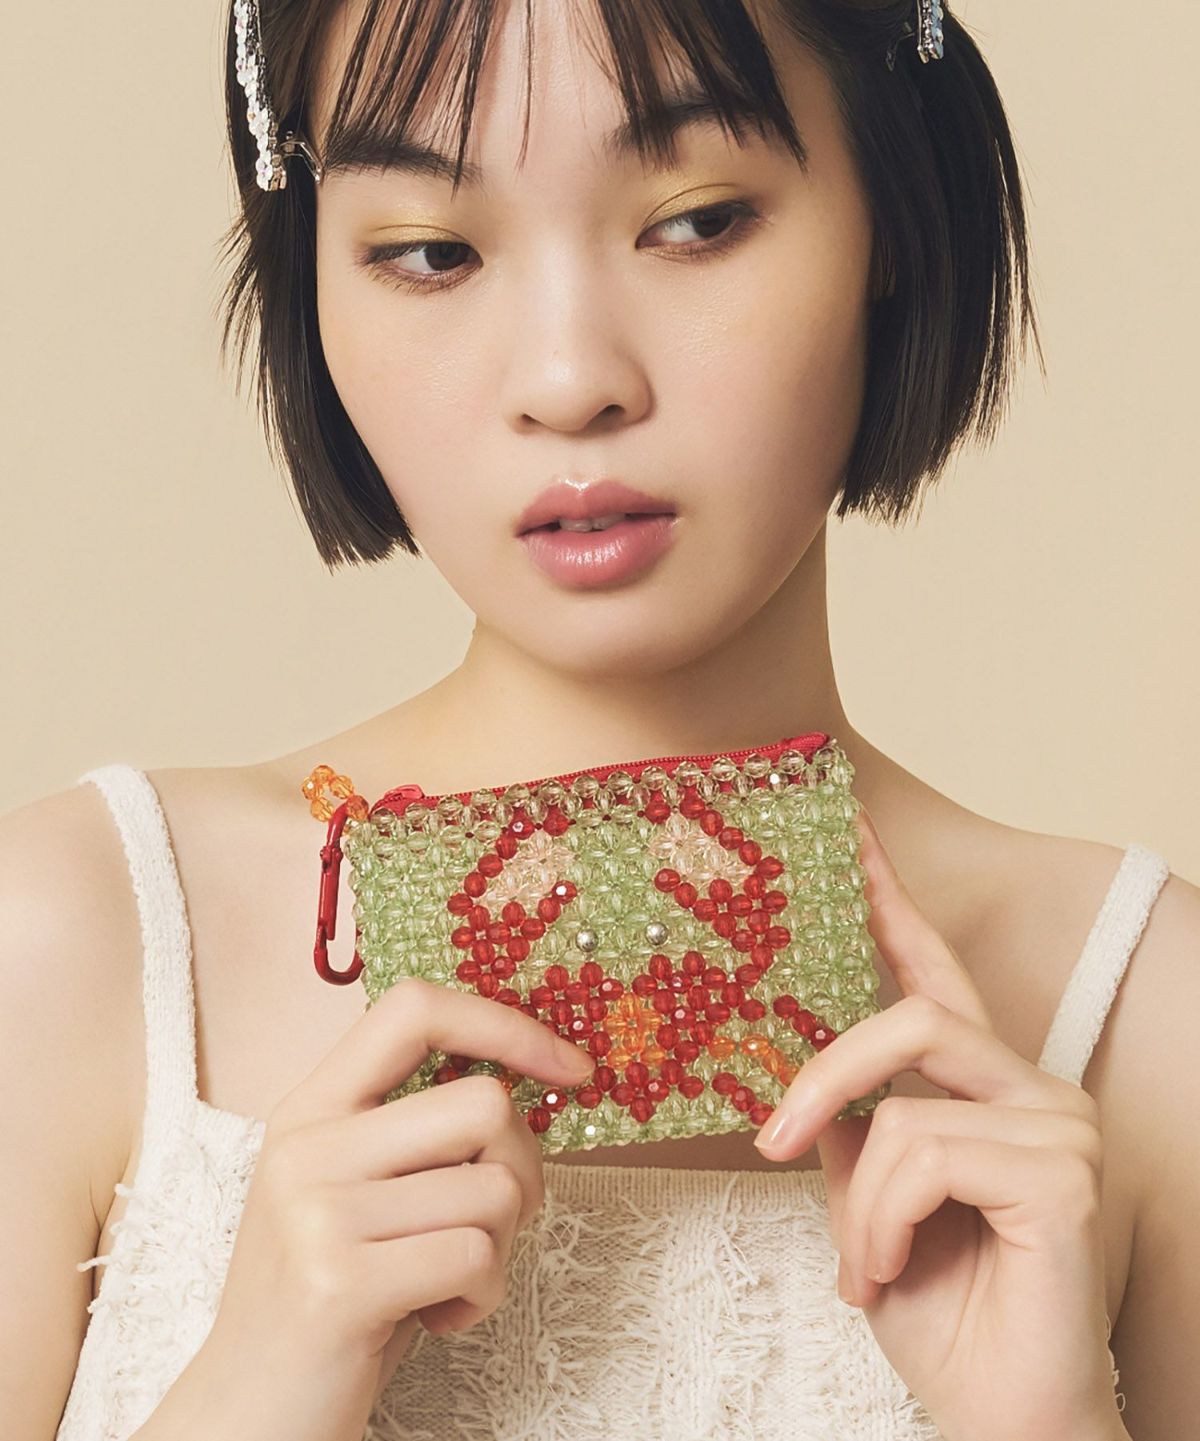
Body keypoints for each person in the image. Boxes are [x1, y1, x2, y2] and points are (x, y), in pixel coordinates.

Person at [4, 1, 1195, 1438]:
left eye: (696, 222)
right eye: (430, 252)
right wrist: (254, 1384)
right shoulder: (76, 940)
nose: (570, 381)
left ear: (894, 208)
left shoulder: (1151, 1021)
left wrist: (1044, 1422)